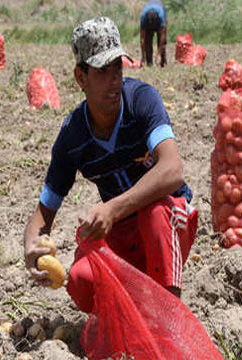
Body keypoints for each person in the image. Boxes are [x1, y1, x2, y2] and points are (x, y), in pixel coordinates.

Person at [23, 16, 197, 313]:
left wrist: (112, 208)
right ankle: (129, 317)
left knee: (155, 215)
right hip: (123, 230)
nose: (115, 79)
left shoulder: (141, 100)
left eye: (118, 67)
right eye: (103, 71)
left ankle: (167, 318)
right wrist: (31, 247)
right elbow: (44, 210)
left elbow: (172, 170)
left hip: (169, 220)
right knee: (80, 279)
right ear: (81, 78)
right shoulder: (73, 136)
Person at [140, 0, 167, 67]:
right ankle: (149, 63)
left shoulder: (161, 16)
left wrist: (159, 54)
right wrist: (143, 57)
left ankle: (162, 61)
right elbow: (143, 39)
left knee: (161, 41)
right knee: (148, 40)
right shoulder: (143, 18)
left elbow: (163, 37)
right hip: (147, 20)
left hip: (160, 8)